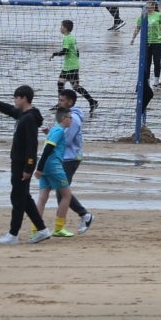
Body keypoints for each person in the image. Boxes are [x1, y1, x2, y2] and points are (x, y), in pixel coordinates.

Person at [0, 87, 48, 244]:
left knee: (17, 198)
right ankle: (42, 229)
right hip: (17, 163)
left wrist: (29, 168)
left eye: (16, 98)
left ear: (24, 98)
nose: (14, 101)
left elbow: (32, 146)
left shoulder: (29, 118)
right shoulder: (23, 115)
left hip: (22, 165)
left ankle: (13, 234)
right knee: (24, 197)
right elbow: (9, 110)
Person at [54, 89, 94, 235]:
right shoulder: (67, 116)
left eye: (62, 100)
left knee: (62, 191)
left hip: (70, 159)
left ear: (70, 102)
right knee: (61, 190)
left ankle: (84, 215)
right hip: (64, 158)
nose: (59, 102)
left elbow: (66, 140)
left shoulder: (74, 119)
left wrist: (53, 137)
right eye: (59, 99)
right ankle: (63, 224)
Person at [33, 108, 75, 238]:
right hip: (53, 166)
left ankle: (36, 229)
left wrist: (40, 167)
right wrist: (39, 168)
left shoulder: (54, 129)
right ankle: (58, 228)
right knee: (66, 195)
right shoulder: (59, 131)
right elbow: (48, 149)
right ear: (64, 118)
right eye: (70, 117)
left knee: (43, 197)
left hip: (46, 166)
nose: (71, 120)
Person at [52, 19, 99, 113]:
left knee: (67, 85)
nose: (60, 28)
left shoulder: (67, 38)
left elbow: (65, 51)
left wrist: (54, 54)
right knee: (69, 85)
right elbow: (77, 52)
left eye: (61, 26)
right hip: (72, 65)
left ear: (65, 28)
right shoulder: (72, 37)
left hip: (70, 67)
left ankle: (91, 102)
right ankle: (91, 101)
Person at [130, 3, 161, 84]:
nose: (147, 7)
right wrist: (133, 38)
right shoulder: (142, 16)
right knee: (147, 62)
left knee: (157, 61)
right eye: (146, 6)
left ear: (153, 6)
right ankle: (147, 80)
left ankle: (156, 80)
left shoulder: (158, 15)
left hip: (157, 42)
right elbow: (138, 28)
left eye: (148, 5)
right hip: (146, 43)